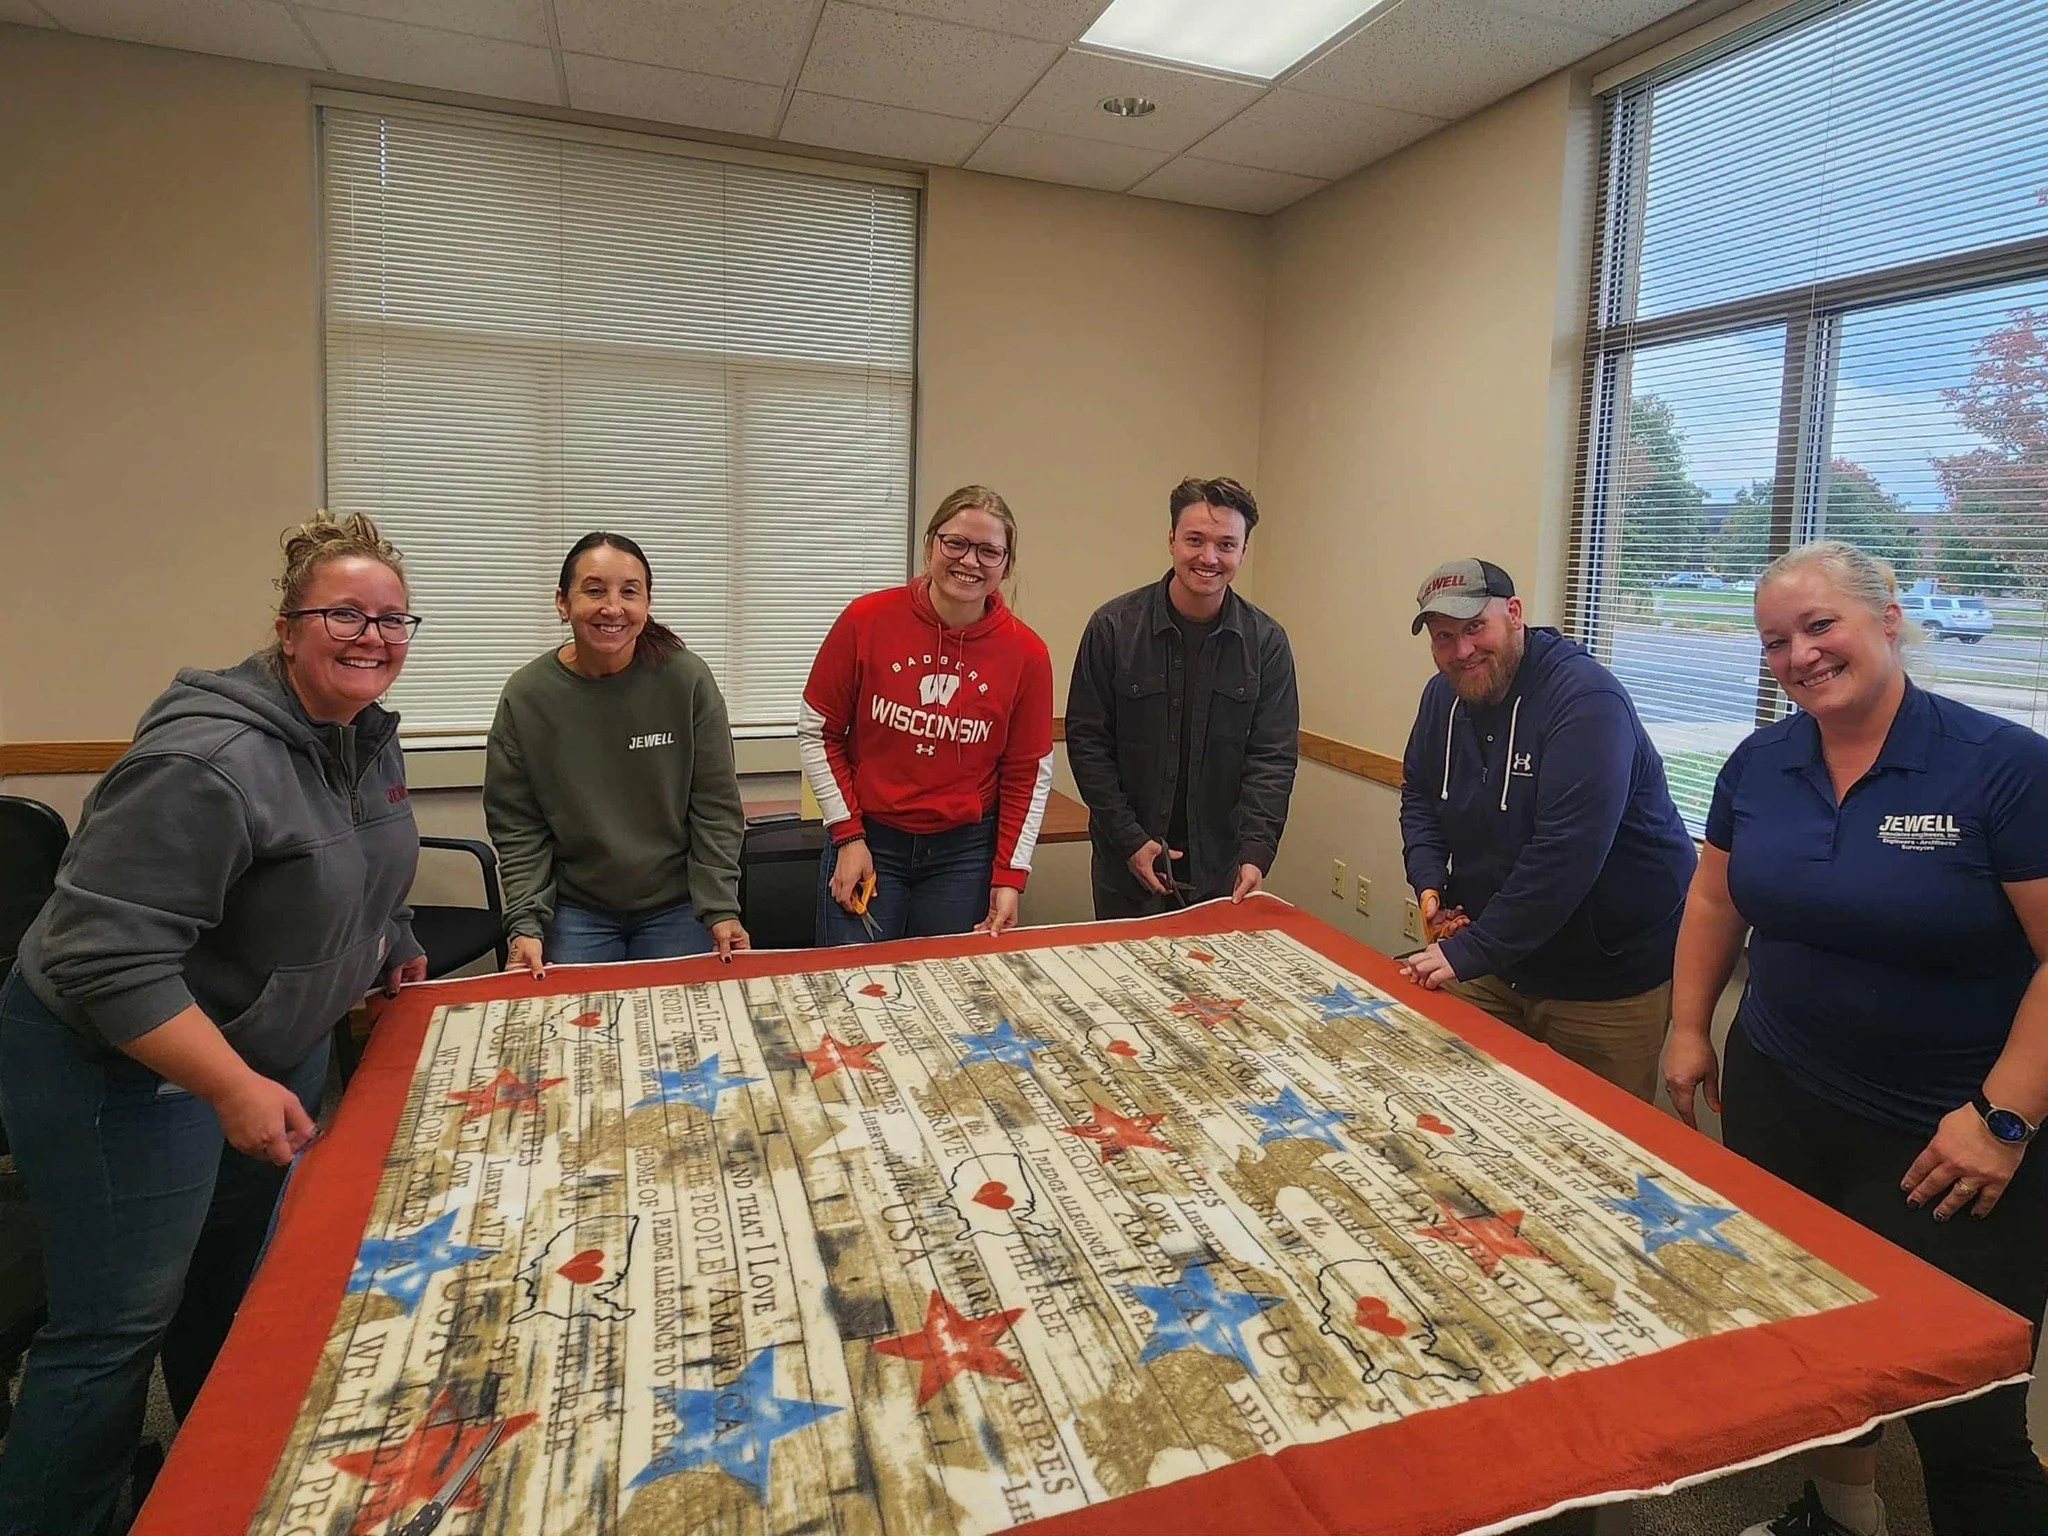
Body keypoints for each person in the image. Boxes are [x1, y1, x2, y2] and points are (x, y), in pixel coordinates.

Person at [0, 513, 425, 1536]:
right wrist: (229, 1085)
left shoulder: (359, 733)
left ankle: (211, 1496)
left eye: (392, 618)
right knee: (117, 1323)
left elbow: (355, 858)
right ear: (287, 629)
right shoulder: (205, 761)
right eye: (343, 614)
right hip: (121, 1062)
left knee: (231, 1296)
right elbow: (103, 956)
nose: (371, 635)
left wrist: (390, 933)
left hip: (260, 1051)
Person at [1663, 542, 2048, 1536]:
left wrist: (2002, 1118)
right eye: (1774, 641)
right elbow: (1712, 897)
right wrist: (1685, 1026)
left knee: (1964, 1408)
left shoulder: (1998, 768)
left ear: (1886, 616)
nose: (1796, 654)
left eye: (1817, 625)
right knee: (1814, 1349)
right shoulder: (1758, 762)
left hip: (1949, 1140)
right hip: (1782, 1101)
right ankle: (1840, 1516)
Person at [1397, 557, 1696, 1101]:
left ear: (1514, 614)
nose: (1461, 651)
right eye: (1444, 637)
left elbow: (1565, 855)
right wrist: (1428, 879)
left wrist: (1468, 953)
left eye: (1473, 628)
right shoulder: (1441, 696)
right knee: (1459, 1106)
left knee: (1599, 1145)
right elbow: (1419, 792)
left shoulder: (1586, 702)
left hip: (1606, 980)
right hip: (1497, 955)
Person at [798, 485, 1054, 944]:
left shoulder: (1027, 654)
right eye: (955, 543)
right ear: (930, 544)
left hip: (963, 855)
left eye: (989, 551)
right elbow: (819, 732)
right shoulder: (866, 619)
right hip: (870, 841)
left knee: (951, 994)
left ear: (1007, 565)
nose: (969, 561)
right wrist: (848, 835)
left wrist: (1010, 875)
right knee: (854, 990)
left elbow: (1027, 773)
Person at [486, 532, 747, 975]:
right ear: (562, 603)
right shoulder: (527, 696)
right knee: (576, 1032)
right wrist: (525, 923)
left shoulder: (686, 680)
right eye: (594, 590)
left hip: (677, 905)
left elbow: (715, 806)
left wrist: (721, 906)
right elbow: (517, 825)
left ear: (646, 603)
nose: (613, 607)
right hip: (576, 909)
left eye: (629, 592)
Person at [1066, 476, 1299, 918]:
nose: (1208, 557)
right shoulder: (1113, 628)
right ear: (1172, 540)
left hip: (1220, 870)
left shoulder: (1266, 642)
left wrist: (1256, 851)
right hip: (1125, 866)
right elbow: (1087, 744)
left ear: (1243, 552)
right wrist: (1130, 838)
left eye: (1226, 544)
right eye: (1195, 539)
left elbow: (1272, 757)